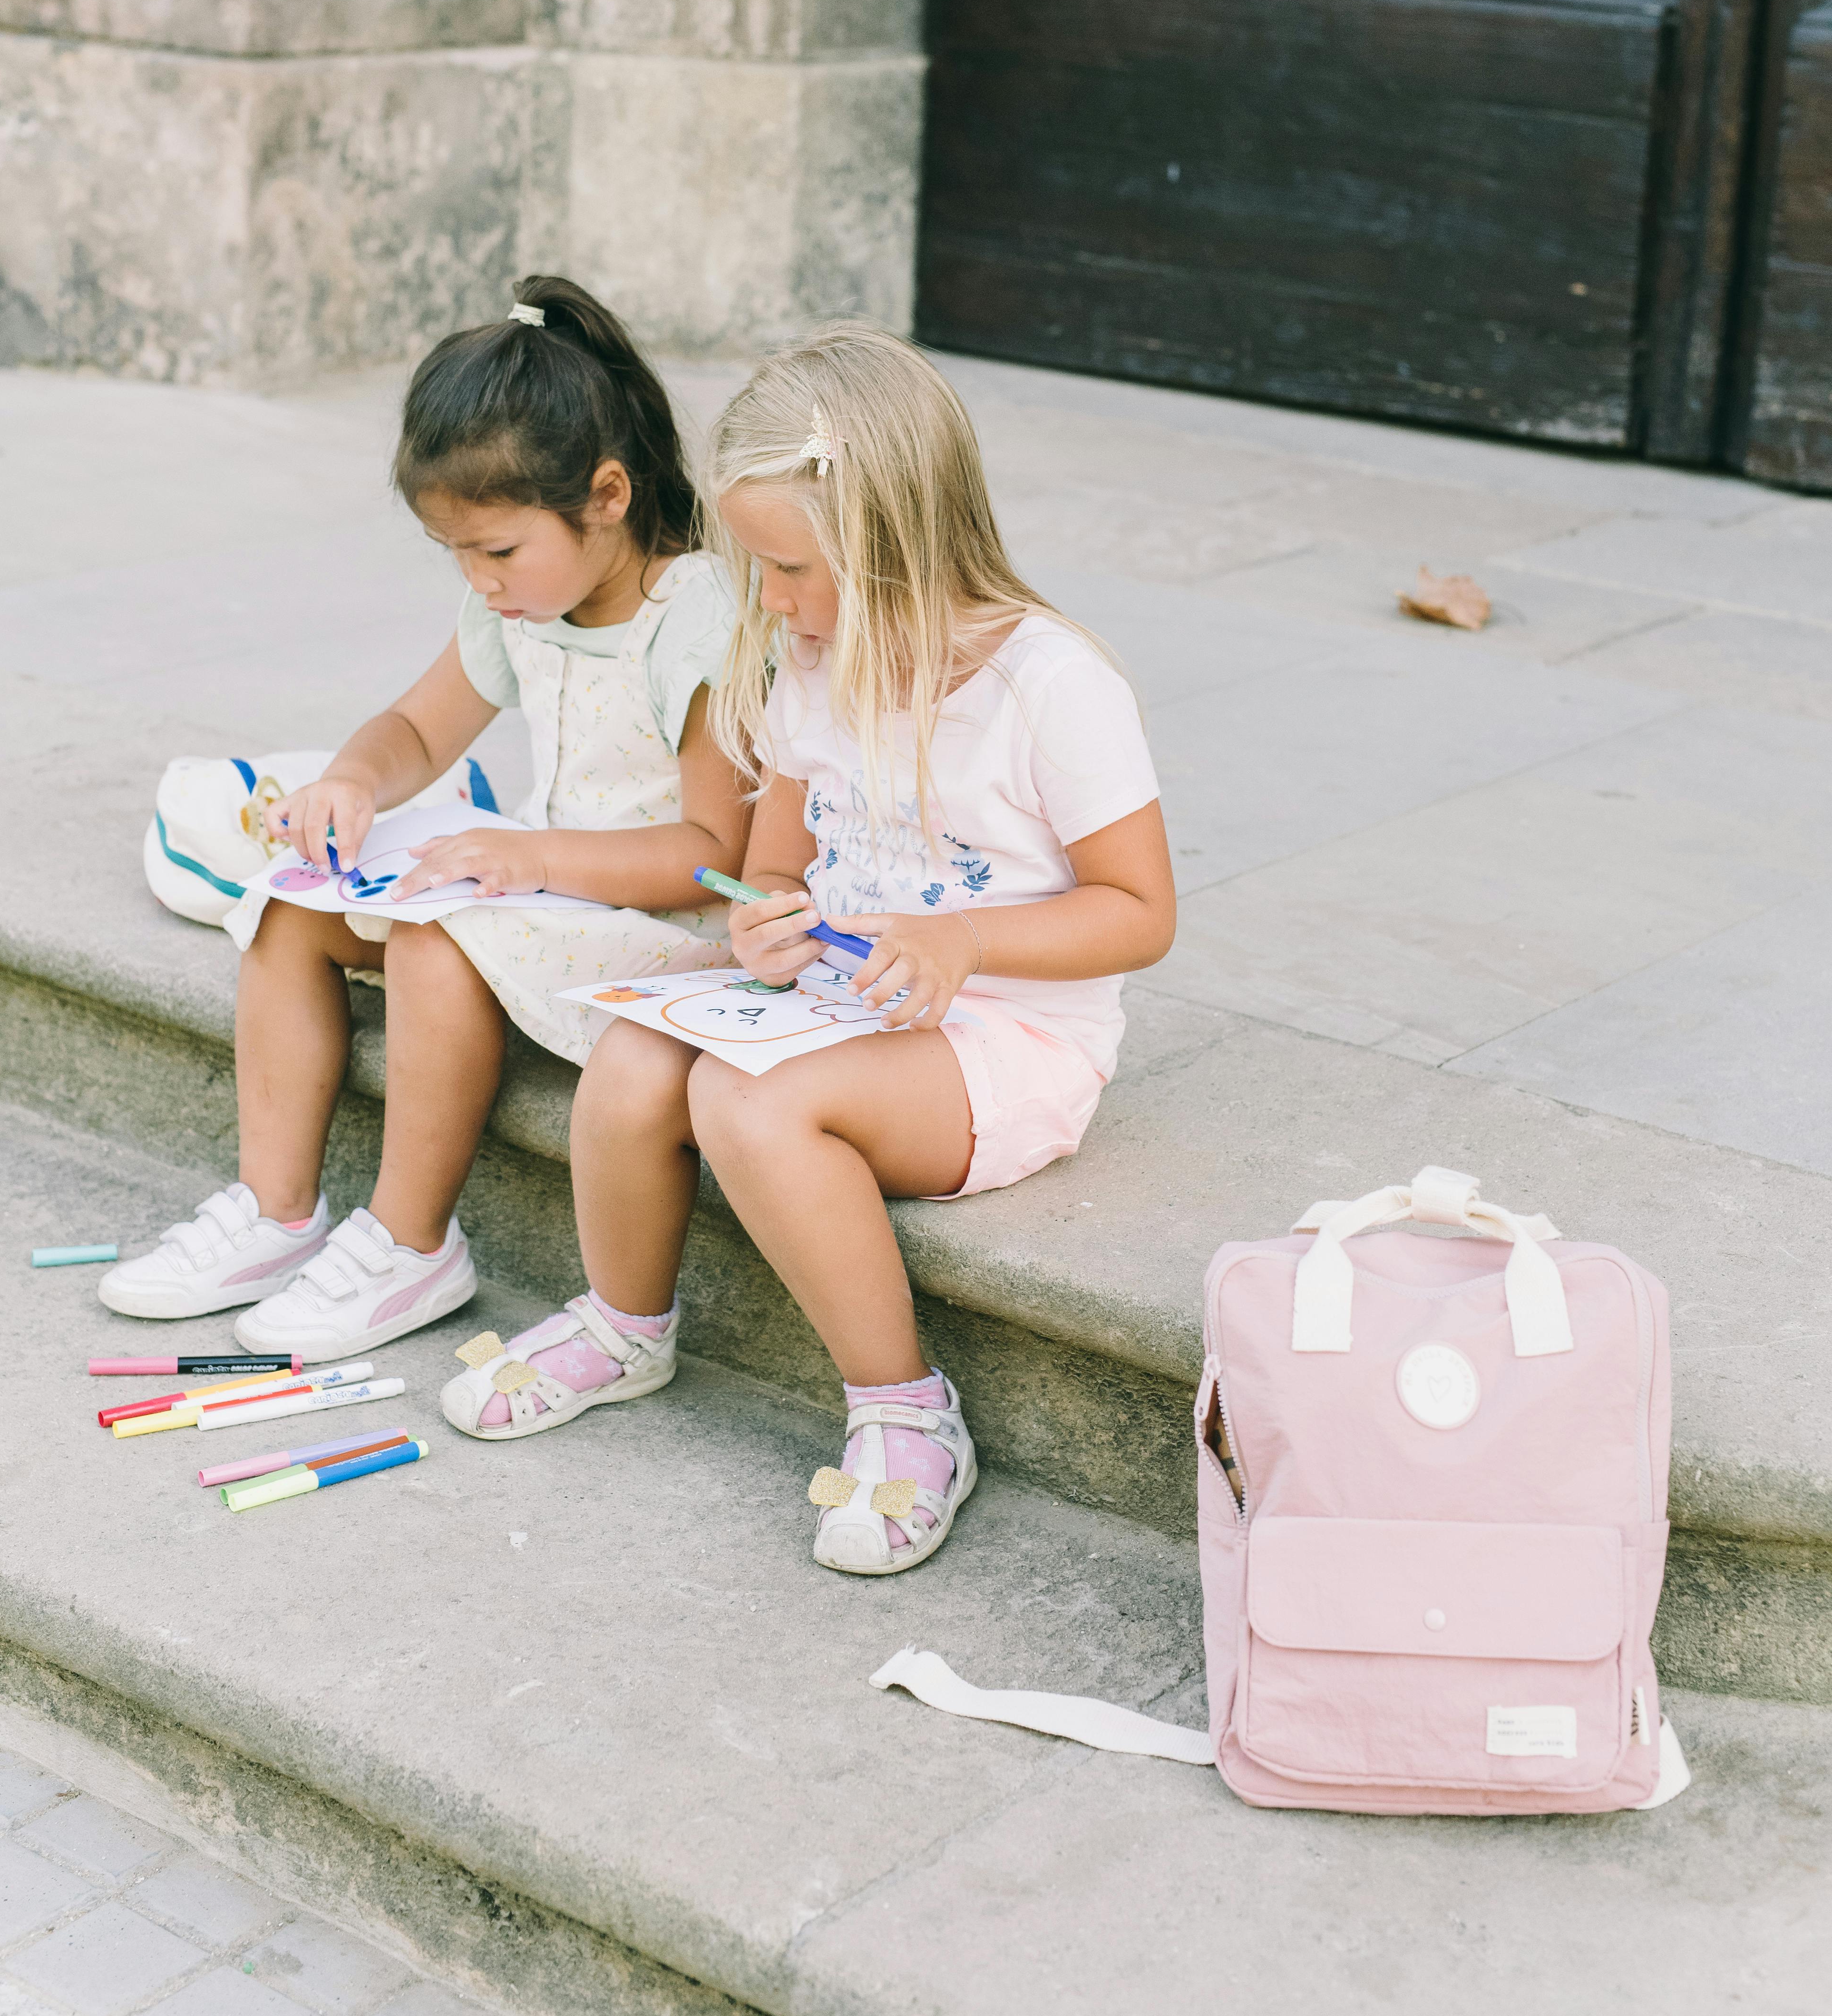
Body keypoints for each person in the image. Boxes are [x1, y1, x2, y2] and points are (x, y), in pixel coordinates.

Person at [439, 321, 1177, 1577]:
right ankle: (626, 1326)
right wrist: (764, 919)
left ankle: (904, 1409)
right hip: (841, 1001)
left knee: (749, 1102)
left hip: (1002, 1036)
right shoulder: (808, 662)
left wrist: (965, 941)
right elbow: (777, 865)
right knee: (631, 1059)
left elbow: (1140, 910)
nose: (767, 601)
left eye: (787, 568)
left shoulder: (1054, 686)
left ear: (896, 541)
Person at [100, 278, 745, 1357]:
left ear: (608, 494)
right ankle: (274, 1208)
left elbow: (712, 857)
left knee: (438, 939)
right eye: (456, 555)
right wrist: (353, 779)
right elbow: (415, 725)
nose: (479, 581)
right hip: (541, 891)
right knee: (286, 907)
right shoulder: (526, 597)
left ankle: (410, 1243)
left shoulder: (694, 616)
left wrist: (527, 853)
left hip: (667, 930)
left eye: (496, 551)